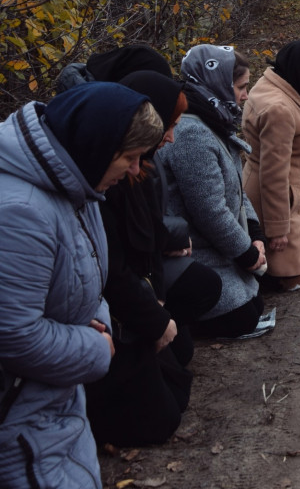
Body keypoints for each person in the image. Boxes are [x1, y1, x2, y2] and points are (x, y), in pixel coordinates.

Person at [0, 82, 163, 489]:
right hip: (20, 419)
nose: (134, 171)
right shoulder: (21, 213)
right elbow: (14, 334)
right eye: (129, 157)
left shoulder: (74, 187)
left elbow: (87, 277)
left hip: (53, 399)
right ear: (96, 145)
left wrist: (97, 321)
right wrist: (95, 347)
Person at [85, 70, 222, 447]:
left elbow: (147, 233)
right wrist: (154, 316)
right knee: (162, 414)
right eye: (170, 124)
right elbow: (113, 267)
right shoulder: (109, 183)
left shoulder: (137, 170)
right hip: (109, 316)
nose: (172, 136)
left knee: (180, 359)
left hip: (132, 297)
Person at [157, 44, 274, 339]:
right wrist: (247, 253)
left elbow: (234, 186)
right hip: (200, 253)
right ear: (217, 84)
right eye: (240, 87)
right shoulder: (192, 134)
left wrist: (256, 234)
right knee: (244, 316)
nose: (246, 95)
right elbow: (208, 210)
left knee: (254, 304)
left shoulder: (214, 120)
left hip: (220, 249)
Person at [242, 39, 300, 291]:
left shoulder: (272, 83)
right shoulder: (279, 108)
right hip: (273, 198)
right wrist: (278, 229)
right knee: (291, 278)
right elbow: (273, 174)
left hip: (269, 188)